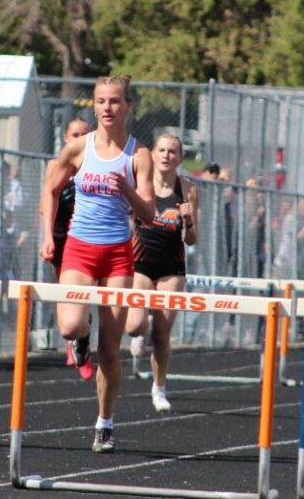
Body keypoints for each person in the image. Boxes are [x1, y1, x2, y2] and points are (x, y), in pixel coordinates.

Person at [39, 75, 154, 454]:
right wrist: (47, 236)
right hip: (79, 248)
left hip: (118, 254)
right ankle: (81, 337)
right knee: (70, 326)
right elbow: (51, 190)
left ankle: (105, 421)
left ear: (128, 106)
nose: (107, 108)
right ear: (94, 105)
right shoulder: (76, 148)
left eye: (115, 101)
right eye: (101, 101)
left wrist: (127, 189)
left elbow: (149, 213)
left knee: (111, 347)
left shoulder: (139, 155)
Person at [127, 133, 198, 412]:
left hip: (172, 268)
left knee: (162, 334)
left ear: (179, 158)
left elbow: (191, 240)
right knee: (134, 325)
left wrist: (189, 221)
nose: (167, 155)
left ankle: (159, 388)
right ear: (153, 154)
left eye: (172, 151)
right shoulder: (140, 184)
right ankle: (138, 333)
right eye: (162, 150)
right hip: (141, 263)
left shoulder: (188, 190)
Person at [43, 117, 91, 281]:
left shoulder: (96, 167)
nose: (79, 139)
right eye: (75, 135)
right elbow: (44, 205)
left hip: (88, 233)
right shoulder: (55, 166)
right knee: (65, 286)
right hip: (62, 233)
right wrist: (48, 237)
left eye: (84, 135)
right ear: (66, 138)